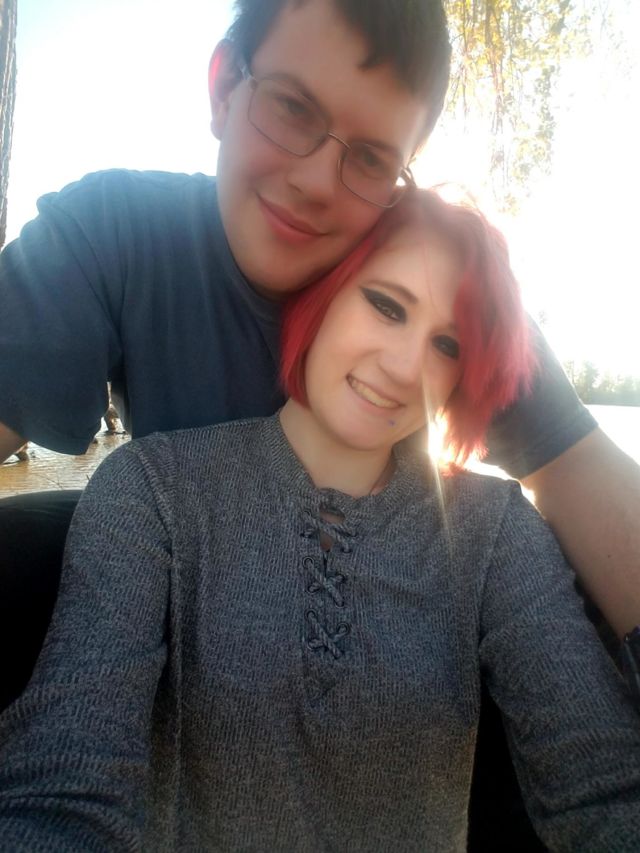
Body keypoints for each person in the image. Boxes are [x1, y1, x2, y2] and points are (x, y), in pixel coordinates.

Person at [0, 0, 638, 846]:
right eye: (292, 107)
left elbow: (600, 774)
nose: (317, 182)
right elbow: (65, 789)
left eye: (372, 158)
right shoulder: (145, 471)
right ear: (223, 87)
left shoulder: (429, 284)